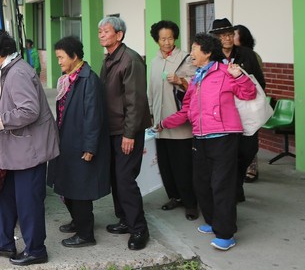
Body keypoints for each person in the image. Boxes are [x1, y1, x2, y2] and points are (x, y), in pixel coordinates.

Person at [157, 32, 256, 251]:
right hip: (200, 138)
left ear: (207, 52)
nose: (190, 53)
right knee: (201, 183)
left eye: (194, 49)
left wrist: (239, 76)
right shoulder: (197, 78)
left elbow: (249, 93)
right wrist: (164, 123)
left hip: (224, 137)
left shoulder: (225, 72)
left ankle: (226, 233)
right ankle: (212, 221)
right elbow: (186, 110)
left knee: (222, 185)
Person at [0, 28, 59, 266]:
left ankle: (36, 250)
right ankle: (4, 241)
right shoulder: (8, 70)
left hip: (29, 150)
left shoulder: (18, 73)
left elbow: (28, 111)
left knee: (28, 202)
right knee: (7, 197)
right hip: (15, 148)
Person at [47, 36, 110, 248]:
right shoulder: (70, 78)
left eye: (61, 57)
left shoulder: (88, 80)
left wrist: (90, 147)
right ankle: (77, 222)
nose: (59, 62)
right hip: (68, 141)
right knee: (67, 186)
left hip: (82, 144)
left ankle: (86, 234)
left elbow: (94, 116)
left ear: (74, 56)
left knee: (81, 190)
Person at [98, 16, 152, 251]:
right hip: (112, 129)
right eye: (100, 31)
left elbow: (136, 102)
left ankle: (139, 229)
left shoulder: (130, 59)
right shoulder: (110, 58)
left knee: (125, 179)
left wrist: (129, 134)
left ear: (119, 35)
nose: (101, 34)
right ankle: (124, 220)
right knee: (115, 178)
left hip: (126, 131)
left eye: (106, 31)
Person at [209, 18, 265, 203]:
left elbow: (259, 82)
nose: (227, 38)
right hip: (223, 115)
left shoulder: (247, 55)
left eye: (230, 34)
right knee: (227, 154)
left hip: (246, 112)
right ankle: (231, 190)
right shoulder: (211, 57)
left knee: (248, 149)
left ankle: (237, 183)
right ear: (215, 38)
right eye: (222, 35)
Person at [147, 20, 198, 220]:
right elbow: (151, 90)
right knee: (166, 165)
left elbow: (197, 86)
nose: (167, 42)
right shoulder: (154, 61)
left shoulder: (186, 59)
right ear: (157, 40)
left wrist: (181, 81)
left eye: (170, 38)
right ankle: (174, 196)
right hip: (160, 123)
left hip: (180, 124)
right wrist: (151, 114)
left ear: (175, 37)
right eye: (162, 39)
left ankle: (191, 203)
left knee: (183, 165)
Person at [234, 24, 264, 183]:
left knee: (250, 136)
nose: (230, 38)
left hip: (250, 103)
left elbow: (258, 82)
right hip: (236, 105)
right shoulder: (230, 55)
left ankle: (252, 168)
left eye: (234, 35)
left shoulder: (252, 56)